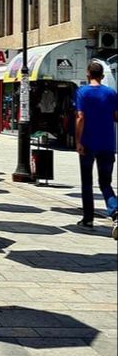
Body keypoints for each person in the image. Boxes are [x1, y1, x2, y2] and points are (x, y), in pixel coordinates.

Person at [75, 60, 118, 237]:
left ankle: (88, 218)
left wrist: (78, 141)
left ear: (87, 74)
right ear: (102, 76)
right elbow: (116, 116)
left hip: (87, 143)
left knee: (87, 181)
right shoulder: (111, 93)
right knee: (105, 182)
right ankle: (115, 211)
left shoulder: (82, 92)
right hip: (107, 143)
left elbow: (80, 117)